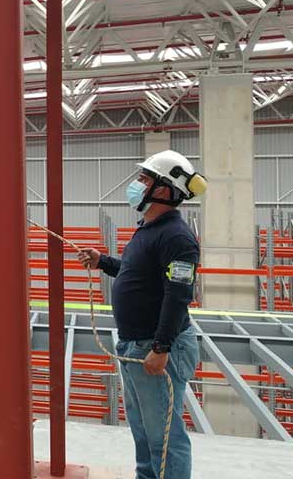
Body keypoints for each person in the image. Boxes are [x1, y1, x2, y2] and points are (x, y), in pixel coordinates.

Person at [77, 150, 206, 479]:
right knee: (145, 433)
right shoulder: (149, 229)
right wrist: (103, 261)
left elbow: (178, 294)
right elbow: (139, 275)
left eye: (144, 179)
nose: (136, 185)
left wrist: (161, 348)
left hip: (157, 347)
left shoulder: (176, 237)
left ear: (163, 189)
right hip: (138, 345)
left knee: (164, 436)